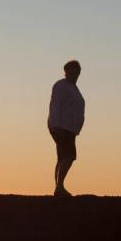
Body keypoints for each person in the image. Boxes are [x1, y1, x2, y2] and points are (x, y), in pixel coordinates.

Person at [47, 60, 85, 198]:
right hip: (61, 127)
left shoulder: (73, 88)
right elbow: (55, 106)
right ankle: (59, 187)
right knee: (69, 155)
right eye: (72, 71)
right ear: (66, 71)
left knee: (62, 157)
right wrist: (55, 126)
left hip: (69, 128)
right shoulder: (61, 86)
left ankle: (59, 188)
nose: (75, 74)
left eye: (77, 72)